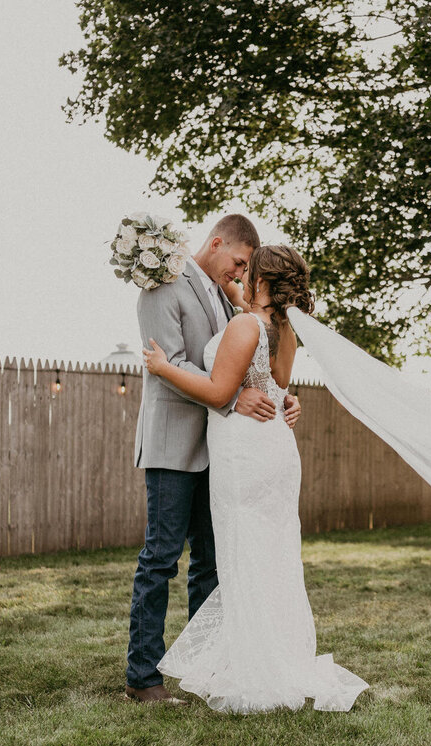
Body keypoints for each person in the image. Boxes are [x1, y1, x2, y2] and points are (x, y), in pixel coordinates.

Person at [144, 244, 368, 712]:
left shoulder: (245, 324)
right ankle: (272, 657)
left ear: (260, 280)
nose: (240, 276)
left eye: (249, 271)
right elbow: (279, 381)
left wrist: (164, 367)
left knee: (243, 555)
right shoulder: (281, 327)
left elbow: (219, 390)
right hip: (275, 451)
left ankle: (251, 666)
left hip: (244, 452)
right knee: (271, 555)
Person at [125, 215, 302, 705]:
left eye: (249, 269)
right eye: (238, 262)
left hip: (225, 452)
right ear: (217, 242)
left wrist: (278, 395)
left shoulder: (236, 300)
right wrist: (231, 400)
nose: (241, 274)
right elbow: (169, 364)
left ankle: (209, 669)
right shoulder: (164, 285)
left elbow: (253, 361)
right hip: (173, 445)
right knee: (160, 560)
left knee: (211, 563)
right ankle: (143, 676)